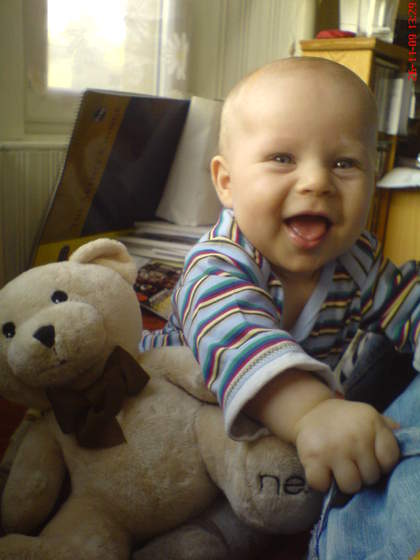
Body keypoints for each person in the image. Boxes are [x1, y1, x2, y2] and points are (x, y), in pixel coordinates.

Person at [141, 57, 420, 555]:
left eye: (344, 163)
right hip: (181, 404)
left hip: (270, 437)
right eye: (282, 158)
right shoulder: (218, 262)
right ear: (226, 182)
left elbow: (407, 304)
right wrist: (312, 411)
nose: (317, 182)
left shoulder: (356, 259)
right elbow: (237, 338)